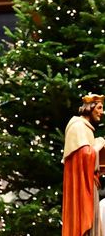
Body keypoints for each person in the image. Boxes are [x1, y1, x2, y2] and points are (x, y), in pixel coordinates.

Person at [62, 93, 105, 236]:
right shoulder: (77, 126)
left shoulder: (86, 128)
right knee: (87, 221)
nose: (102, 112)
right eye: (99, 108)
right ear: (90, 108)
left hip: (90, 183)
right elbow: (84, 155)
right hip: (82, 186)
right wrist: (98, 145)